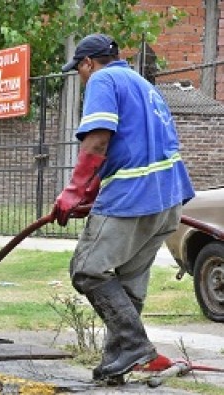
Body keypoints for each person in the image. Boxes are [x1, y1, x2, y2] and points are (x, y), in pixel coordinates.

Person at [55, 33, 194, 384]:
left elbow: (98, 138)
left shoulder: (103, 79)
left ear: (88, 62)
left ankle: (133, 347)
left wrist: (73, 191)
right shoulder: (143, 84)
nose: (82, 76)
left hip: (133, 197)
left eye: (79, 70)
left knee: (87, 270)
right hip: (168, 199)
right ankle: (115, 365)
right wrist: (94, 188)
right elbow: (136, 145)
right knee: (127, 283)